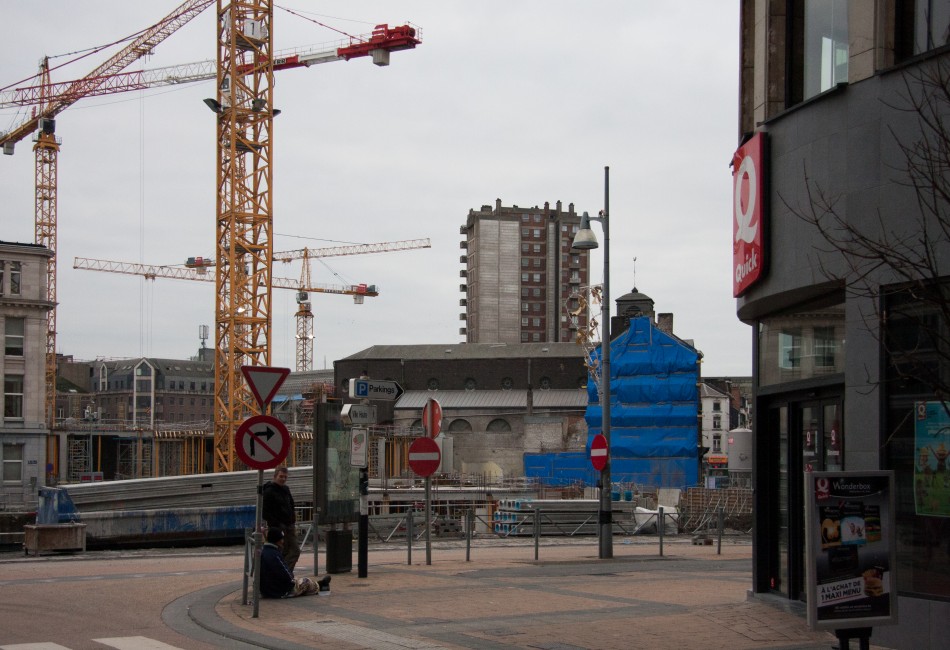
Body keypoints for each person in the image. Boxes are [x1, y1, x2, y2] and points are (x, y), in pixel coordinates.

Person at [260, 527, 330, 598]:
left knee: (298, 582)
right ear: (277, 540)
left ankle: (319, 584)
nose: (283, 541)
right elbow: (285, 573)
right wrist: (292, 581)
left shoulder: (263, 552)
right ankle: (320, 585)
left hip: (265, 590)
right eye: (281, 539)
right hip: (278, 591)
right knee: (305, 582)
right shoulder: (274, 554)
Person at [262, 465, 300, 571]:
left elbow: (291, 505)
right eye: (281, 476)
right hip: (278, 528)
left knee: (294, 551)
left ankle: (284, 573)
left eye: (285, 477)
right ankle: (282, 574)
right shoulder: (269, 491)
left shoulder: (286, 489)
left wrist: (292, 519)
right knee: (282, 551)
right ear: (275, 476)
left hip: (289, 526)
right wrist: (276, 524)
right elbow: (265, 512)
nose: (283, 479)